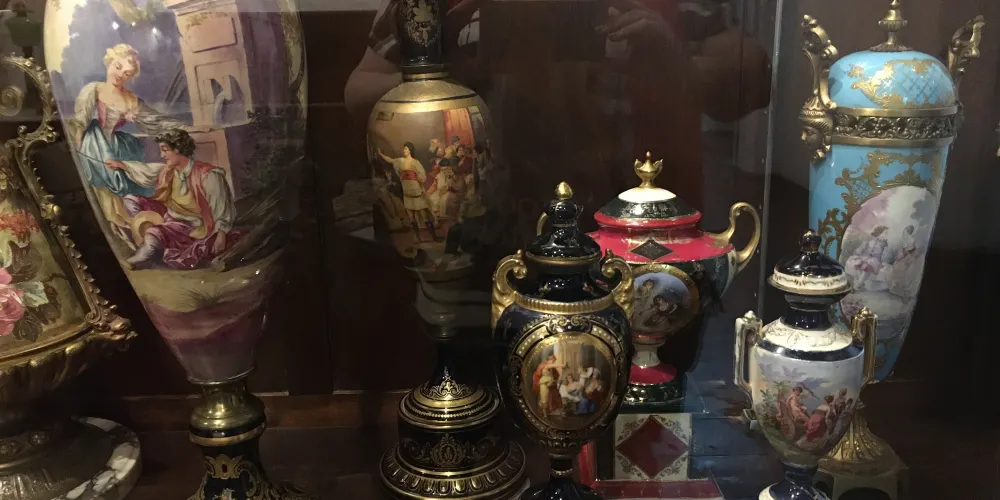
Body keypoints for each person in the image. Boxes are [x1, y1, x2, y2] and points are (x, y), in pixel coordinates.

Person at [346, 0, 771, 248]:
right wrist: (442, 75)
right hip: (481, 242)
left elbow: (752, 82)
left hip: (640, 239)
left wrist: (674, 63)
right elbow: (360, 94)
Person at [69, 43, 184, 246]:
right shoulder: (95, 89)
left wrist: (180, 127)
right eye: (118, 67)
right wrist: (79, 146)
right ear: (109, 62)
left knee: (130, 178)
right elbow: (80, 121)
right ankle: (115, 226)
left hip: (118, 145)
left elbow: (154, 120)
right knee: (108, 177)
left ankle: (130, 228)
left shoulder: (130, 99)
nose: (121, 75)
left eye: (127, 73)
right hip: (95, 142)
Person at [104, 129, 237, 270]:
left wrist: (221, 234)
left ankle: (143, 254)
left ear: (178, 149)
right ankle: (147, 235)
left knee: (156, 233)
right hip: (168, 214)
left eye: (165, 150)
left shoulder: (208, 175)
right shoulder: (168, 170)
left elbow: (222, 208)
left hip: (191, 225)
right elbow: (146, 171)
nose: (162, 155)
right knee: (131, 200)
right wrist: (122, 165)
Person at [378, 143, 440, 241]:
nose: (404, 150)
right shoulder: (400, 161)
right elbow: (390, 160)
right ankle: (418, 238)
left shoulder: (415, 162)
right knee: (411, 217)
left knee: (425, 216)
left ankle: (434, 237)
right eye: (404, 149)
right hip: (407, 192)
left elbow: (423, 177)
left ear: (410, 150)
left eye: (406, 149)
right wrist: (381, 154)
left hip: (416, 191)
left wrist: (416, 177)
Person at [846, 226, 890, 291]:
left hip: (875, 260)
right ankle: (861, 284)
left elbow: (885, 255)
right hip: (865, 257)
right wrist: (858, 252)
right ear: (880, 233)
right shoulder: (870, 240)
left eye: (887, 233)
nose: (886, 234)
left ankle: (856, 285)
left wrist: (884, 261)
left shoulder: (884, 243)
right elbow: (862, 248)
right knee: (858, 264)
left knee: (866, 268)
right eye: (885, 233)